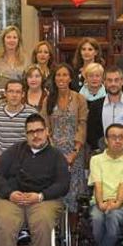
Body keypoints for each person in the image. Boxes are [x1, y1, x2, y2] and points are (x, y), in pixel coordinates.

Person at [0, 113, 69, 246]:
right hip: (12, 199)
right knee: (5, 222)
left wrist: (40, 196)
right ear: (25, 135)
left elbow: (63, 184)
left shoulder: (56, 156)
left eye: (39, 130)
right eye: (31, 132)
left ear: (47, 131)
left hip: (43, 199)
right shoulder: (14, 151)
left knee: (42, 222)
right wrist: (10, 194)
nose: (35, 135)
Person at [41, 64, 88, 212]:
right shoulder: (48, 100)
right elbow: (45, 126)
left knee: (73, 190)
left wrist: (74, 151)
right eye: (58, 75)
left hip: (74, 151)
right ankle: (57, 227)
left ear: (70, 78)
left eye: (65, 75)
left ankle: (73, 229)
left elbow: (82, 124)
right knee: (56, 187)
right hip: (54, 151)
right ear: (54, 79)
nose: (61, 78)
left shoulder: (79, 98)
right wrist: (52, 149)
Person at [86, 66, 123, 152]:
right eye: (109, 80)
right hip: (102, 156)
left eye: (116, 80)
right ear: (104, 82)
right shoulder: (95, 106)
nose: (113, 84)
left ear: (122, 82)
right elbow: (91, 133)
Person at [0, 79, 38, 153]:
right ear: (5, 93)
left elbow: (34, 137)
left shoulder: (31, 113)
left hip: (25, 157)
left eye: (18, 92)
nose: (14, 95)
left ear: (23, 94)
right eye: (11, 91)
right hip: (4, 157)